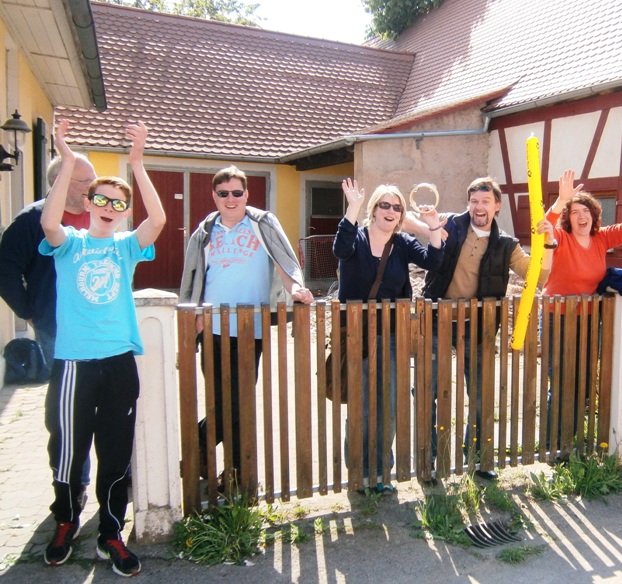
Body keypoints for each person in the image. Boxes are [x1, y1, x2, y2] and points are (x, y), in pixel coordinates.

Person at [40, 119, 165, 576]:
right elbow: (49, 222)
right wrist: (68, 159)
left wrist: (137, 163)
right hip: (75, 362)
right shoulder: (69, 244)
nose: (109, 207)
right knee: (68, 448)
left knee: (115, 450)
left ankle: (110, 532)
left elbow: (159, 220)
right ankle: (66, 521)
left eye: (118, 202)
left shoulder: (126, 247)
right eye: (102, 199)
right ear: (89, 203)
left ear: (124, 212)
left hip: (118, 361)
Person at [179, 165, 313, 481]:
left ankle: (206, 451)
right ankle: (234, 474)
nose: (231, 199)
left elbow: (284, 262)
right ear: (214, 196)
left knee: (239, 402)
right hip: (211, 328)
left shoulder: (262, 224)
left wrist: (296, 288)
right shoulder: (205, 230)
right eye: (223, 193)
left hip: (250, 329)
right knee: (220, 402)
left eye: (237, 192)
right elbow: (194, 275)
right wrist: (194, 313)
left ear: (246, 194)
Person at [405, 176, 533, 481]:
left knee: (479, 393)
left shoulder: (506, 245)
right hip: (436, 322)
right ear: (468, 203)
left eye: (486, 201)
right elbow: (406, 221)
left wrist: (549, 243)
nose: (479, 207)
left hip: (477, 327)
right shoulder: (450, 223)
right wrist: (430, 225)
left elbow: (538, 275)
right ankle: (429, 462)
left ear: (497, 206)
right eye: (474, 201)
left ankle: (478, 459)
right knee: (428, 390)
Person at [334, 178, 444, 493]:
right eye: (385, 204)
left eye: (397, 207)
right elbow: (340, 249)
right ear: (374, 209)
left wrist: (433, 225)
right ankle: (359, 473)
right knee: (361, 406)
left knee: (389, 405)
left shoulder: (403, 243)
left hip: (393, 334)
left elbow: (434, 261)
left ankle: (381, 473)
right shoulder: (355, 237)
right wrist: (352, 208)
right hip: (357, 334)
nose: (391, 211)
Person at [0, 149, 96, 491]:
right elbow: (6, 270)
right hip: (57, 327)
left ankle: (120, 474)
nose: (92, 186)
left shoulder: (98, 213)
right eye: (84, 180)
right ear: (58, 181)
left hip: (101, 326)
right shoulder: (32, 221)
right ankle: (74, 481)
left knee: (106, 401)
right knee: (68, 405)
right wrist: (29, 311)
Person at [541, 169, 622, 449]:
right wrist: (561, 201)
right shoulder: (561, 237)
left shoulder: (601, 239)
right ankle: (552, 443)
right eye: (575, 212)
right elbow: (544, 225)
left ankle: (572, 440)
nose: (581, 216)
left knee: (582, 381)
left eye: (586, 211)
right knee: (560, 380)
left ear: (594, 216)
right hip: (557, 317)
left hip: (588, 319)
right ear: (569, 218)